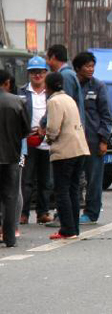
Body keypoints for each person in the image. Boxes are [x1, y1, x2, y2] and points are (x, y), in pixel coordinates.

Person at [44, 71, 89, 240]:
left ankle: (66, 229)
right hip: (80, 148)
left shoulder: (54, 101)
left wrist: (48, 138)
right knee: (73, 190)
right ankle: (74, 228)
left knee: (62, 190)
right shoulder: (69, 99)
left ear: (48, 87)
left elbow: (53, 128)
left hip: (65, 151)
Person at [74, 52, 112, 226]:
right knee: (73, 177)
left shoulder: (98, 86)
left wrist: (104, 140)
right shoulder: (71, 85)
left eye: (92, 66)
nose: (90, 69)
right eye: (87, 66)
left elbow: (106, 115)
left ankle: (91, 213)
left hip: (93, 141)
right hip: (73, 139)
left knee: (94, 178)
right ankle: (70, 210)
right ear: (77, 68)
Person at [19, 56, 52, 226]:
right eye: (33, 72)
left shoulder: (51, 94)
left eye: (40, 72)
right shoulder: (22, 93)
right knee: (26, 180)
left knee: (46, 181)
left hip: (48, 142)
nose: (37, 75)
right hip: (28, 142)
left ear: (46, 73)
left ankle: (43, 212)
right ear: (29, 74)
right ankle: (23, 214)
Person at [0, 69, 29, 247]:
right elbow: (25, 129)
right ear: (7, 83)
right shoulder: (17, 102)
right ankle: (10, 237)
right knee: (11, 196)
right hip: (11, 156)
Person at [45, 44, 84, 123]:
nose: (47, 62)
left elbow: (64, 105)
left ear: (53, 57)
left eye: (47, 59)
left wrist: (44, 123)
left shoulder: (65, 76)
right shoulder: (68, 74)